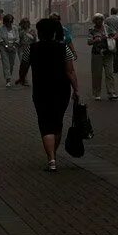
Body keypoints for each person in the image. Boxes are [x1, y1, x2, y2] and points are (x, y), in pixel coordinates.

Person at [29, 16, 80, 172]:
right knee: (57, 123)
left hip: (40, 90)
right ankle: (54, 155)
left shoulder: (31, 48)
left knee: (45, 124)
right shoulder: (63, 48)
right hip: (61, 90)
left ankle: (51, 159)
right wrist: (76, 90)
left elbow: (24, 65)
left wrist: (20, 77)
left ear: (39, 32)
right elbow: (70, 71)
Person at [86, 13, 118, 102]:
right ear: (94, 21)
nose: (99, 21)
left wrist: (112, 38)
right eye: (97, 19)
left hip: (108, 53)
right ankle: (97, 94)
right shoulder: (92, 30)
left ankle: (111, 92)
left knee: (109, 73)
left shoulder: (107, 28)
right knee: (97, 74)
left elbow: (116, 34)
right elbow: (89, 42)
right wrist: (95, 40)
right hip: (97, 54)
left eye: (101, 19)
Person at [0, 12, 19, 87]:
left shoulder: (15, 28)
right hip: (4, 48)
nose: (9, 24)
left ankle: (9, 76)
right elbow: (0, 39)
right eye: (8, 22)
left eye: (10, 22)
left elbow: (17, 38)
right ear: (5, 22)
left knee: (11, 64)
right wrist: (6, 46)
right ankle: (8, 80)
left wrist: (13, 46)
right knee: (6, 64)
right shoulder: (0, 29)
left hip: (13, 47)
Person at [105, 7, 118, 74]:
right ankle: (116, 68)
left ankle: (109, 67)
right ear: (117, 12)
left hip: (110, 37)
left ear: (111, 12)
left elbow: (104, 29)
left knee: (109, 52)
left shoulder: (107, 20)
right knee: (117, 53)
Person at [16, 17, 35, 86]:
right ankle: (24, 80)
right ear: (22, 24)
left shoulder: (32, 30)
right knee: (23, 64)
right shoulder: (19, 30)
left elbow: (34, 39)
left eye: (27, 22)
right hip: (21, 49)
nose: (26, 24)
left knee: (27, 65)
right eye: (24, 23)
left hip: (30, 49)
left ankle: (22, 78)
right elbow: (17, 38)